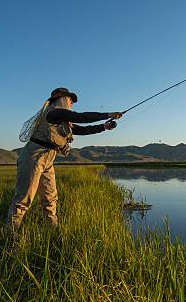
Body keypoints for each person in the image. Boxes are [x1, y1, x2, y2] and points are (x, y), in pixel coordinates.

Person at [7, 87, 122, 228]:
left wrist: (104, 127)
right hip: (33, 157)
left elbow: (82, 129)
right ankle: (11, 235)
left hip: (48, 159)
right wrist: (109, 114)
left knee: (50, 197)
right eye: (69, 99)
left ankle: (52, 229)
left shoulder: (63, 120)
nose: (72, 102)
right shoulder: (54, 113)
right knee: (24, 199)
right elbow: (81, 117)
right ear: (60, 99)